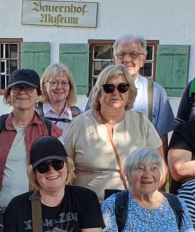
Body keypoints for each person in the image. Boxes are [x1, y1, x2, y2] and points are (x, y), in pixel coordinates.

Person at [63, 64, 163, 200]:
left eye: (123, 87)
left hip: (132, 205)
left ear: (129, 93)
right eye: (109, 88)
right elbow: (63, 169)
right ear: (98, 93)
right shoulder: (79, 124)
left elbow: (160, 166)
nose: (116, 93)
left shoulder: (141, 122)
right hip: (88, 208)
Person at [0, 69, 63, 208]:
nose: (22, 92)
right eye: (16, 88)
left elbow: (61, 173)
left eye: (28, 88)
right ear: (9, 94)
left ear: (38, 94)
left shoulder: (50, 130)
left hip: (37, 209)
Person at [86, 35, 176, 139]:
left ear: (143, 59)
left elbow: (161, 137)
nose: (127, 59)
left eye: (134, 54)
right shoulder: (101, 88)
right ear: (114, 59)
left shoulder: (156, 92)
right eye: (121, 54)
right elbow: (88, 125)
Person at [37, 63, 83, 127]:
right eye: (54, 82)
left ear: (70, 87)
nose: (59, 87)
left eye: (64, 83)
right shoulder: (34, 114)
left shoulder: (79, 116)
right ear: (44, 85)